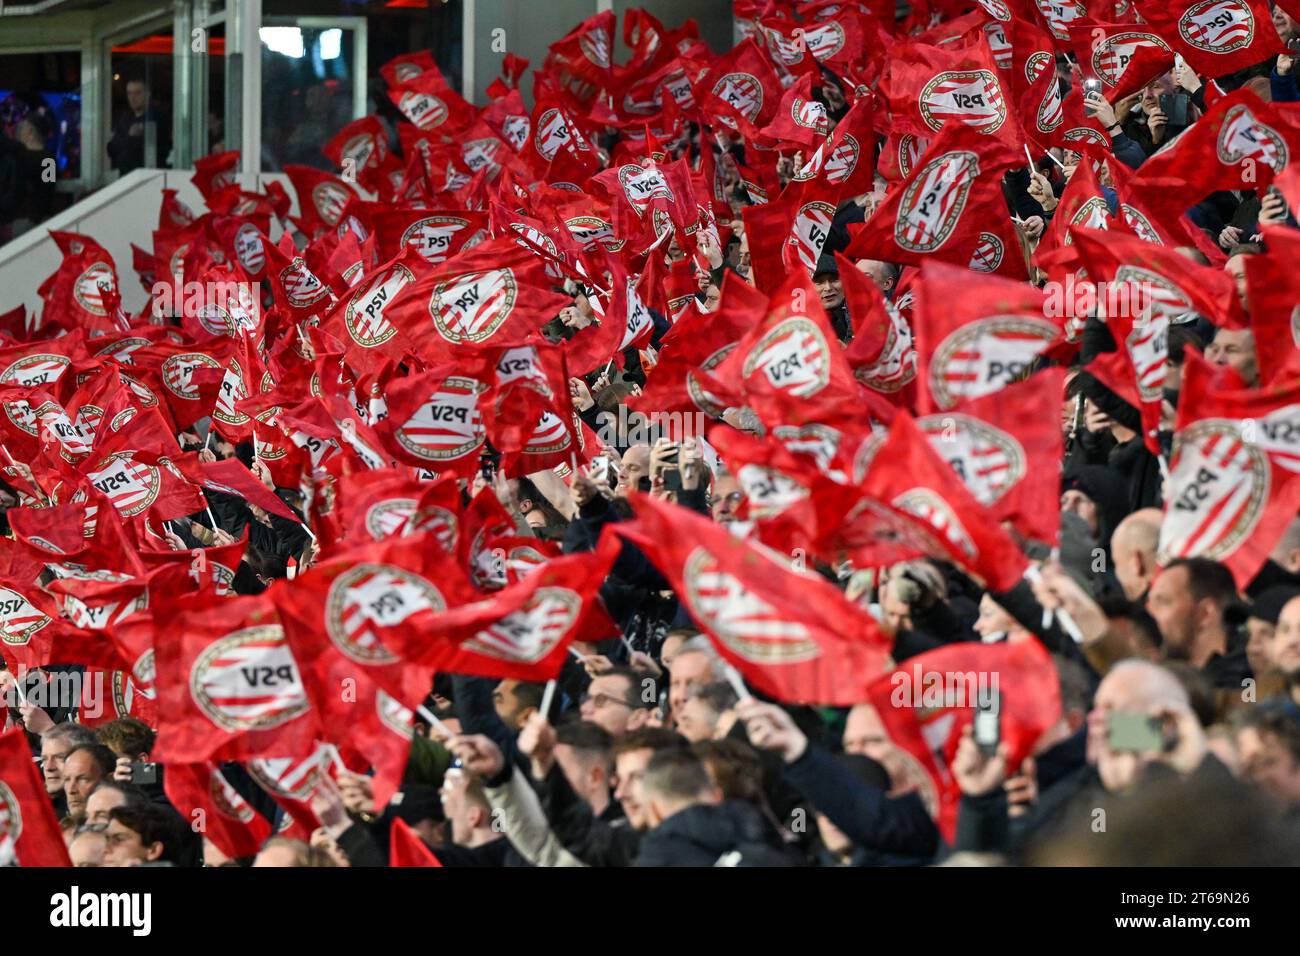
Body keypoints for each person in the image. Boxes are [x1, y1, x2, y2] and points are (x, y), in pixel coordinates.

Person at [106, 76, 171, 173]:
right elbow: (111, 149)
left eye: (137, 93)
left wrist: (130, 140)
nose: (132, 97)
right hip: (124, 176)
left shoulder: (156, 118)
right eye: (129, 93)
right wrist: (130, 137)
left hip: (148, 176)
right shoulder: (125, 118)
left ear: (147, 94)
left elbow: (158, 150)